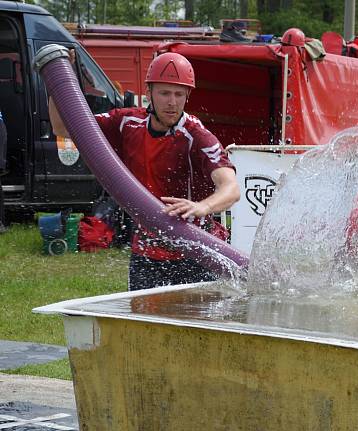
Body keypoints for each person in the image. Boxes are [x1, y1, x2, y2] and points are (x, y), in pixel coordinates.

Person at [48, 52, 240, 290]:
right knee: (141, 323)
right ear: (148, 93)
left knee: (194, 326)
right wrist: (55, 79)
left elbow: (230, 188)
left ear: (187, 96)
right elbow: (64, 127)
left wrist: (203, 207)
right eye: (164, 93)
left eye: (179, 94)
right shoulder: (127, 123)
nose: (172, 102)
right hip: (148, 249)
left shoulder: (197, 135)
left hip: (196, 250)